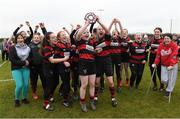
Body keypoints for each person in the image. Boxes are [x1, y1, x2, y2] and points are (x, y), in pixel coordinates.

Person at [41, 32, 69, 111]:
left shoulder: (55, 46)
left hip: (54, 68)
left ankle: (50, 95)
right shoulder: (46, 48)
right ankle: (45, 103)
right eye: (52, 38)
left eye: (55, 37)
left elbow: (60, 53)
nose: (55, 39)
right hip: (48, 68)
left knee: (56, 82)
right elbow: (52, 60)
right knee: (49, 86)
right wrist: (64, 59)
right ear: (48, 40)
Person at [94, 16, 118, 107]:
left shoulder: (107, 37)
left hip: (107, 61)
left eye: (102, 29)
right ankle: (95, 97)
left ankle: (113, 98)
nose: (101, 30)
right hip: (98, 62)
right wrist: (95, 51)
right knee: (97, 82)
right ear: (96, 31)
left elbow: (107, 30)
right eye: (99, 29)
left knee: (111, 82)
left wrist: (100, 22)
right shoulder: (93, 41)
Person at [76, 20, 96, 112]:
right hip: (83, 64)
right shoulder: (80, 41)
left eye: (87, 32)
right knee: (84, 85)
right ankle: (82, 102)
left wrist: (96, 50)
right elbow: (78, 34)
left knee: (92, 84)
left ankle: (91, 101)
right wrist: (86, 24)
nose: (86, 34)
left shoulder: (91, 42)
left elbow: (92, 52)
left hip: (92, 64)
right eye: (84, 32)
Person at [9, 33, 31, 107]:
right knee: (19, 85)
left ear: (23, 39)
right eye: (18, 38)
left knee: (26, 85)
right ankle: (17, 99)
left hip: (26, 69)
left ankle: (24, 98)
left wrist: (28, 61)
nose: (20, 39)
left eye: (21, 38)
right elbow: (12, 59)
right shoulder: (12, 47)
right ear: (16, 39)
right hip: (16, 69)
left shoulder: (28, 47)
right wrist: (24, 62)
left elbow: (30, 57)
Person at [29, 33, 45, 100]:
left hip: (42, 66)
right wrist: (30, 61)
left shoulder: (42, 45)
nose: (36, 39)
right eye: (35, 38)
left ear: (40, 38)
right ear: (32, 39)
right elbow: (27, 56)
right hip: (33, 67)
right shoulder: (29, 46)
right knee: (34, 81)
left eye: (37, 38)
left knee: (44, 80)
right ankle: (34, 92)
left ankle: (45, 91)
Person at [108, 18, 123, 93]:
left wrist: (119, 22)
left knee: (118, 72)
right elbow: (108, 30)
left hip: (118, 58)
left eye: (115, 32)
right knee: (111, 73)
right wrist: (112, 22)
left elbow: (122, 32)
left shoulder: (119, 39)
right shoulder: (109, 39)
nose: (114, 33)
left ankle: (119, 86)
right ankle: (112, 85)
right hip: (110, 58)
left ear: (117, 34)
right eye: (113, 32)